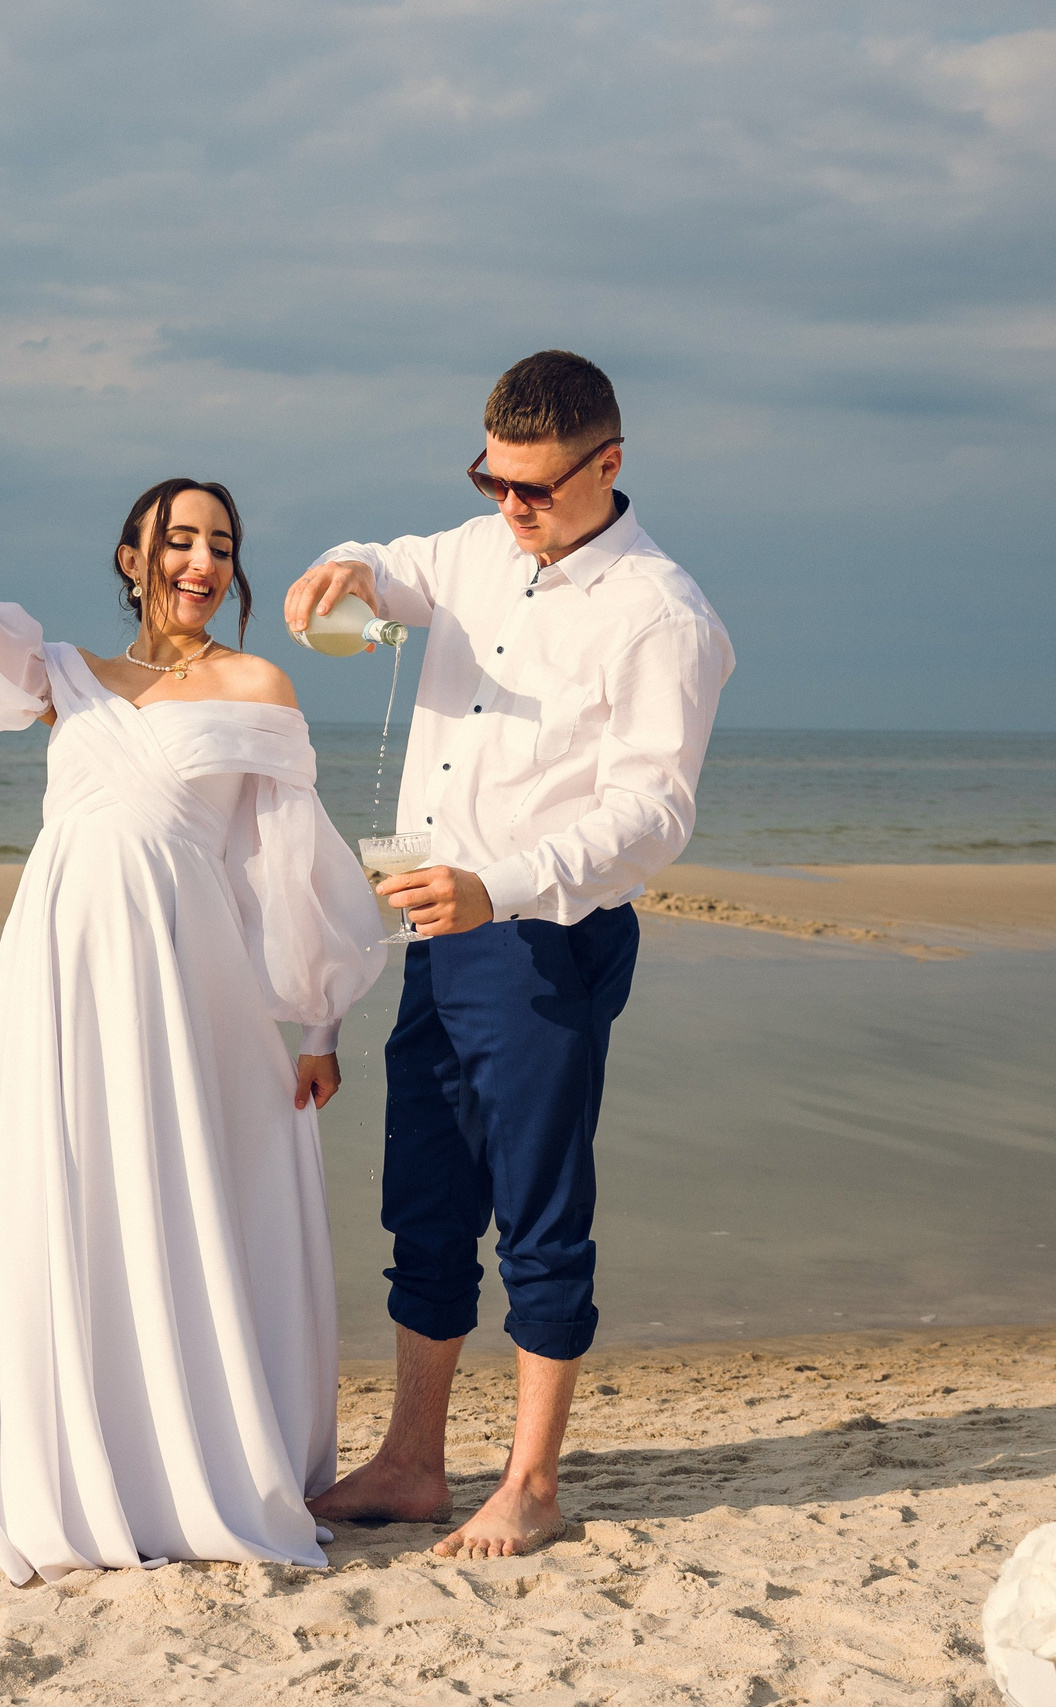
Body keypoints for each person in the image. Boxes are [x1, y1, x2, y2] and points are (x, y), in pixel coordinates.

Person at [0, 374, 385, 1584]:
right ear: (132, 554)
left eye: (219, 545)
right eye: (178, 538)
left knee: (182, 1195)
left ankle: (188, 1468)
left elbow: (286, 863)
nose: (200, 559)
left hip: (193, 980)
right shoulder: (62, 673)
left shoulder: (257, 687)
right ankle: (72, 1472)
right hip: (61, 965)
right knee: (64, 1188)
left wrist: (321, 1017)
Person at [286, 350, 734, 1559]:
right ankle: (413, 1463)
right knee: (424, 1208)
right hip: (437, 926)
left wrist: (506, 886)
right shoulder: (481, 547)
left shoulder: (664, 614)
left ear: (609, 465)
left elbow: (653, 816)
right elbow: (394, 566)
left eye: (533, 488)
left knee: (538, 1217)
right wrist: (349, 566)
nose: (510, 507)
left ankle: (530, 1484)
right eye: (492, 480)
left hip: (548, 937)